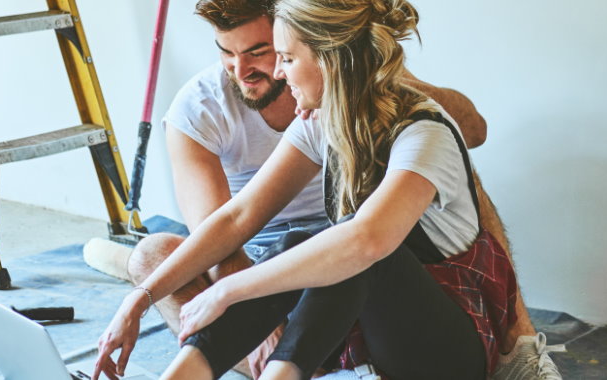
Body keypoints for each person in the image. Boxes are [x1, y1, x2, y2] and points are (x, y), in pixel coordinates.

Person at [94, 0, 564, 378]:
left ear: (330, 59)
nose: (278, 73)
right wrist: (141, 297)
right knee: (295, 243)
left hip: (450, 350)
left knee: (360, 252)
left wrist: (227, 292)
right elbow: (238, 219)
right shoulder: (320, 122)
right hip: (363, 328)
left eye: (286, 58)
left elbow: (367, 242)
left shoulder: (424, 132)